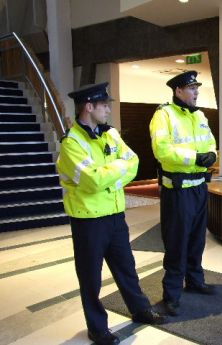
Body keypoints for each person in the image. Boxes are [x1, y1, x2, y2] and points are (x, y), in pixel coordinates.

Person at [57, 82, 165, 345]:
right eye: (104, 105)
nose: (108, 109)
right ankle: (97, 328)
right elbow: (92, 181)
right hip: (88, 220)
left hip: (116, 215)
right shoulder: (72, 144)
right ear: (89, 106)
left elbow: (135, 163)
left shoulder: (110, 135)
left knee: (126, 268)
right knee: (91, 278)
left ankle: (140, 309)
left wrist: (109, 174)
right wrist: (117, 171)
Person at [149, 70, 217, 317]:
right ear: (178, 91)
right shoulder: (163, 115)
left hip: (199, 187)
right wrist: (196, 158)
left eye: (197, 88)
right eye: (192, 88)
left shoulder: (199, 115)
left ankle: (195, 281)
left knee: (197, 240)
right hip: (177, 191)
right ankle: (171, 295)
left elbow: (210, 143)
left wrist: (213, 155)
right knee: (177, 243)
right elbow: (162, 151)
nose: (197, 92)